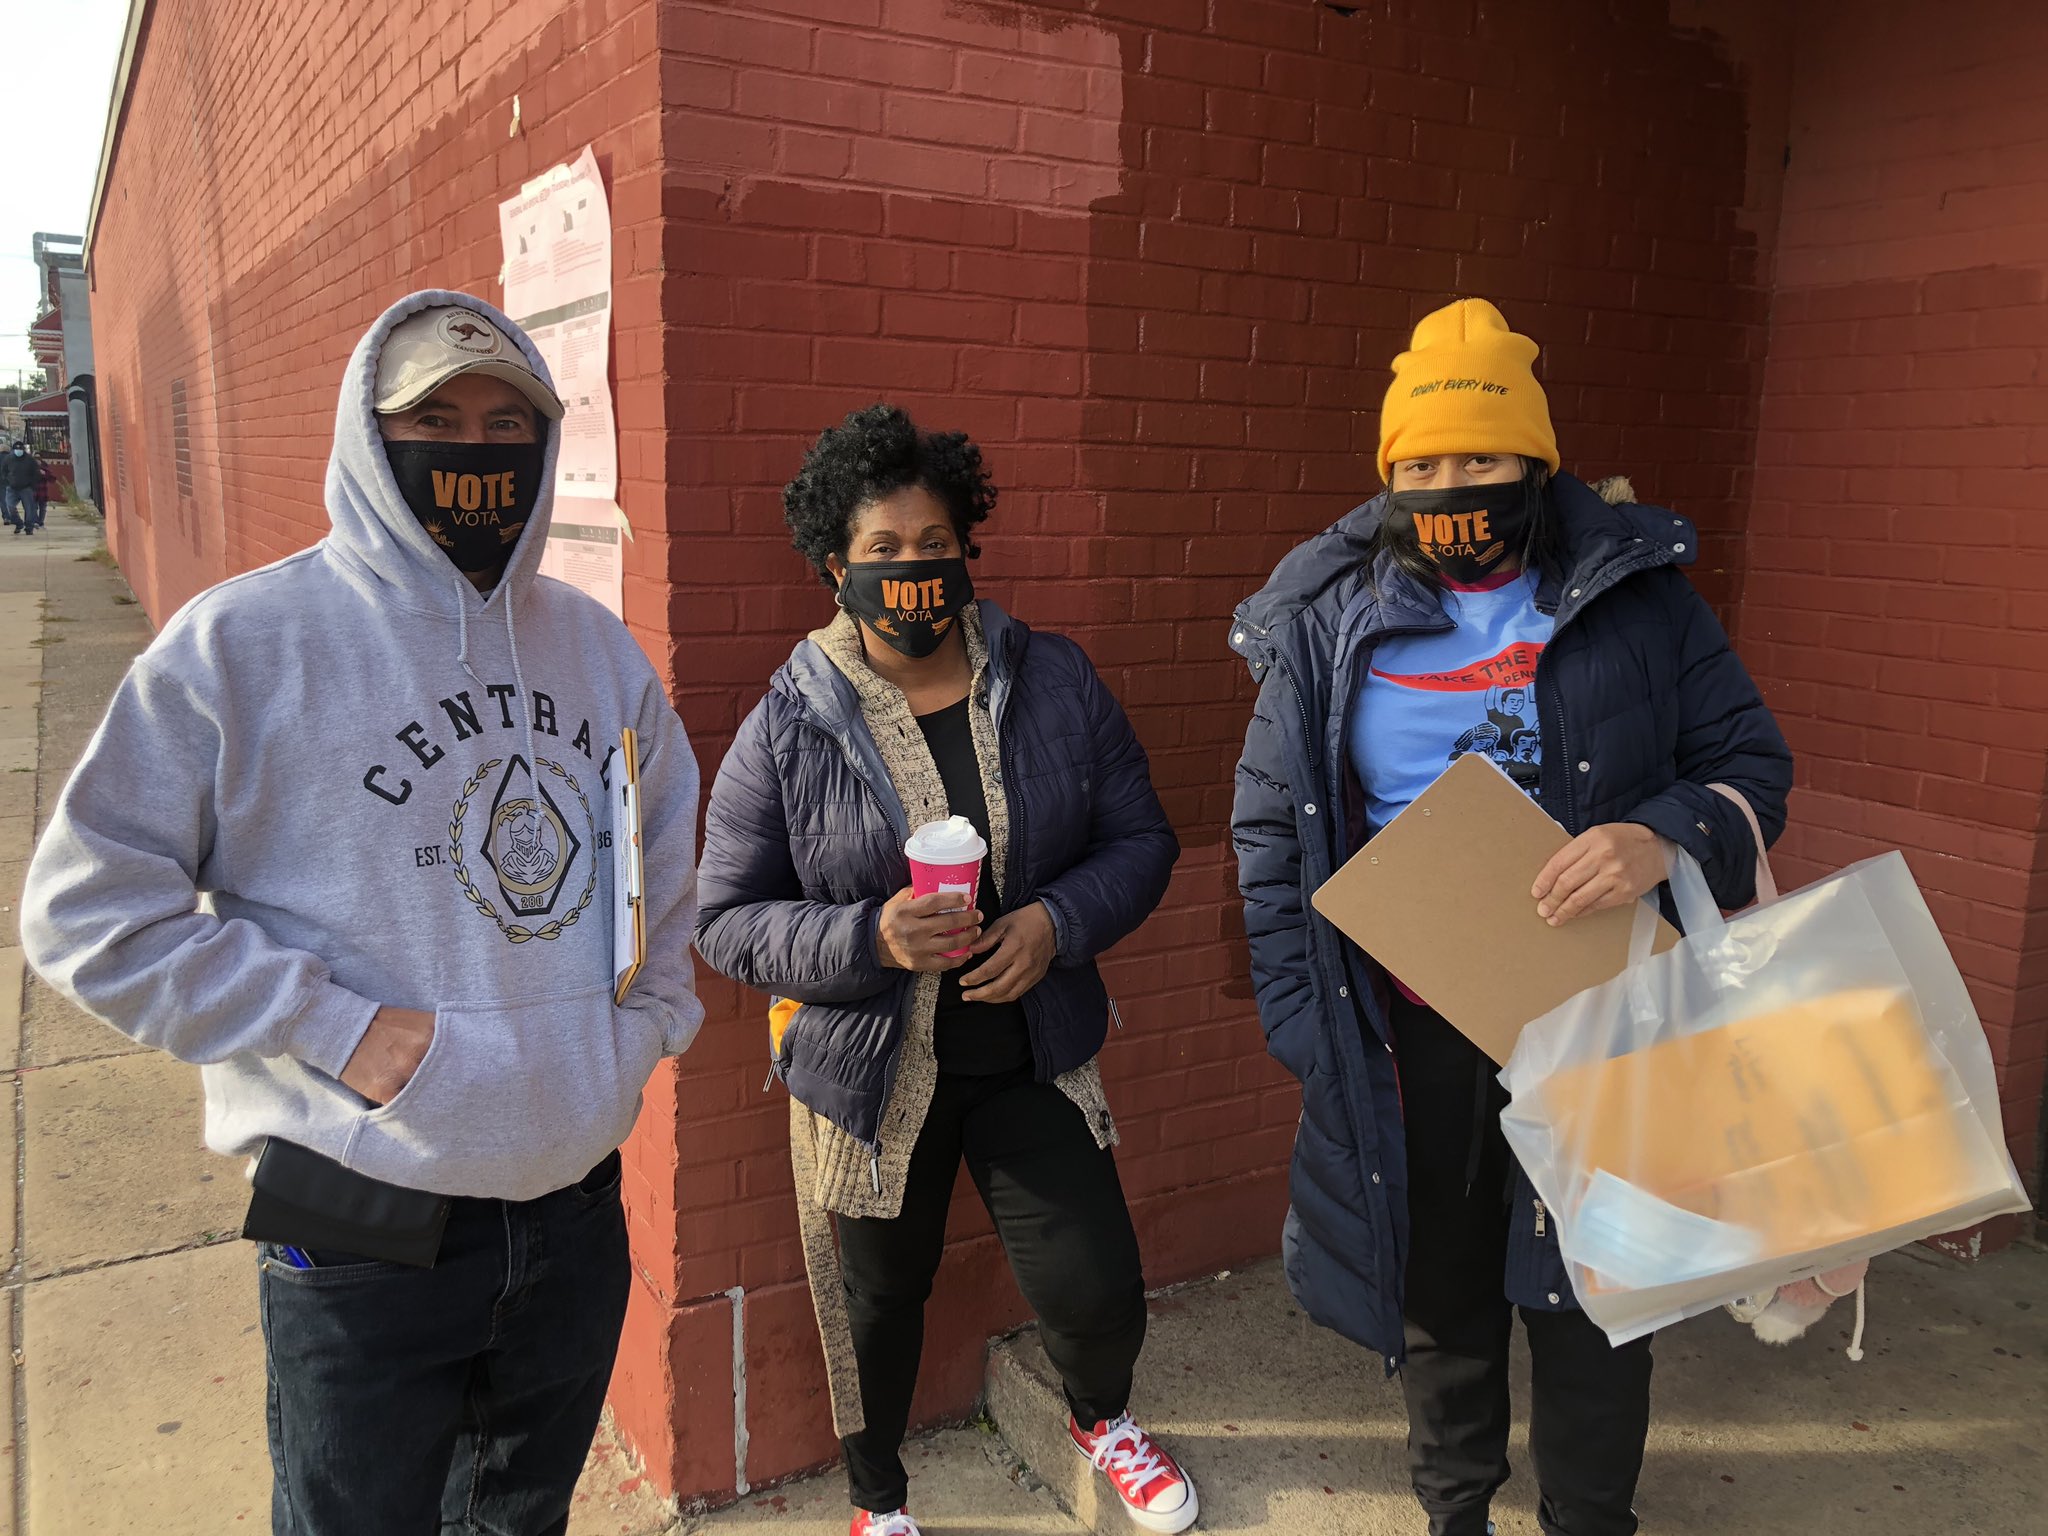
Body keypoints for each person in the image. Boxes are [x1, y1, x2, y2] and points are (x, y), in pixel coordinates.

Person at [21, 291, 704, 1536]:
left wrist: (646, 1021)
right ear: (365, 435)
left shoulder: (596, 652)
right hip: (359, 1212)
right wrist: (336, 1030)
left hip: (569, 1203)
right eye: (431, 417)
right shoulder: (243, 646)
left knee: (517, 1521)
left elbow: (662, 848)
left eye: (510, 422)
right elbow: (86, 914)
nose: (475, 450)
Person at [1229, 299, 1792, 1536]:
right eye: (1419, 465)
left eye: (1479, 461)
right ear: (1387, 476)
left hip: (1603, 1009)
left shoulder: (1634, 598)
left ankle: (1589, 1518)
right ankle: (1453, 1511)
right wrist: (1299, 1022)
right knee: (1441, 1288)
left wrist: (1661, 837)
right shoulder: (1325, 623)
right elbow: (1270, 837)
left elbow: (1748, 761)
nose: (1450, 486)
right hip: (1405, 1022)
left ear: (1536, 463)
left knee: (1598, 1285)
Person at [694, 405, 1196, 1536]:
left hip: (1030, 1045)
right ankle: (879, 1504)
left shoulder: (1052, 681)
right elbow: (723, 921)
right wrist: (867, 937)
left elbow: (1142, 839)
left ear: (966, 550)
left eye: (933, 547)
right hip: (868, 1076)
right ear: (834, 566)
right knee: (877, 1300)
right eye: (882, 552)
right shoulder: (788, 723)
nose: (912, 572)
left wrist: (1056, 925)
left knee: (1095, 1280)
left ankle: (1100, 1418)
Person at [2, 439, 37, 533]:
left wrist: (33, 485)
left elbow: (35, 473)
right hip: (12, 488)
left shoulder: (30, 460)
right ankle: (18, 523)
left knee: (29, 509)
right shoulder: (8, 459)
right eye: (16, 449)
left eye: (20, 449)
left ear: (23, 450)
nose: (18, 451)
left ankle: (29, 527)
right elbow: (4, 471)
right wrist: (7, 480)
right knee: (10, 507)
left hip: (26, 488)